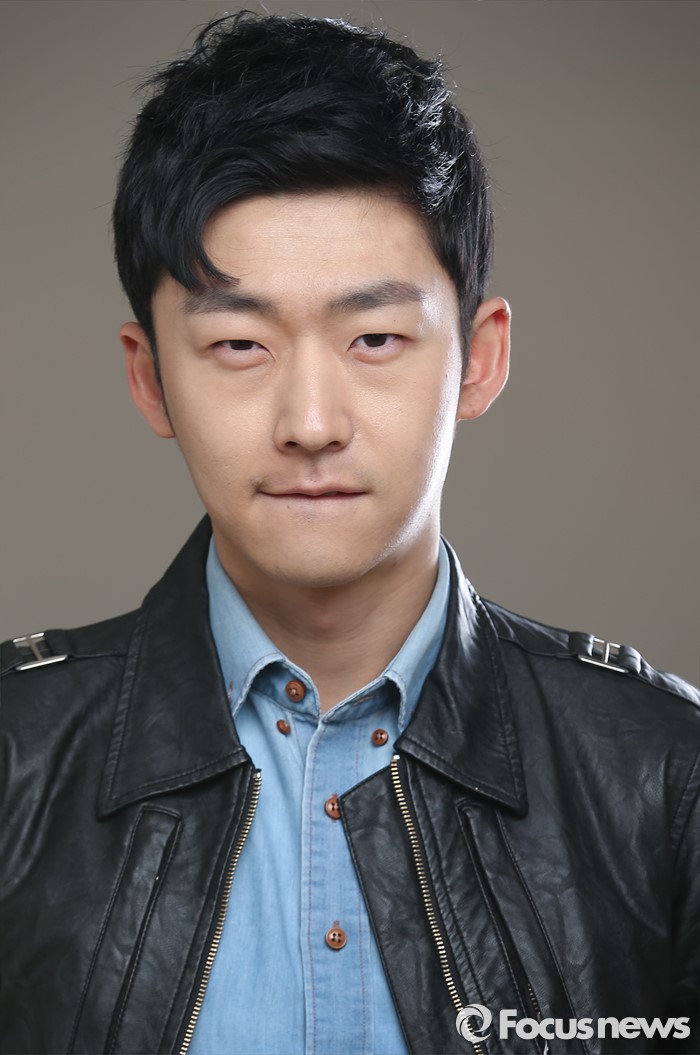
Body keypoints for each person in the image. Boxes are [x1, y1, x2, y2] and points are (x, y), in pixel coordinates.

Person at [1, 10, 698, 1055]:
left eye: (374, 337)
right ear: (150, 377)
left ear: (478, 358)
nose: (311, 422)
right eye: (240, 344)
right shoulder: (16, 756)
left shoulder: (665, 776)